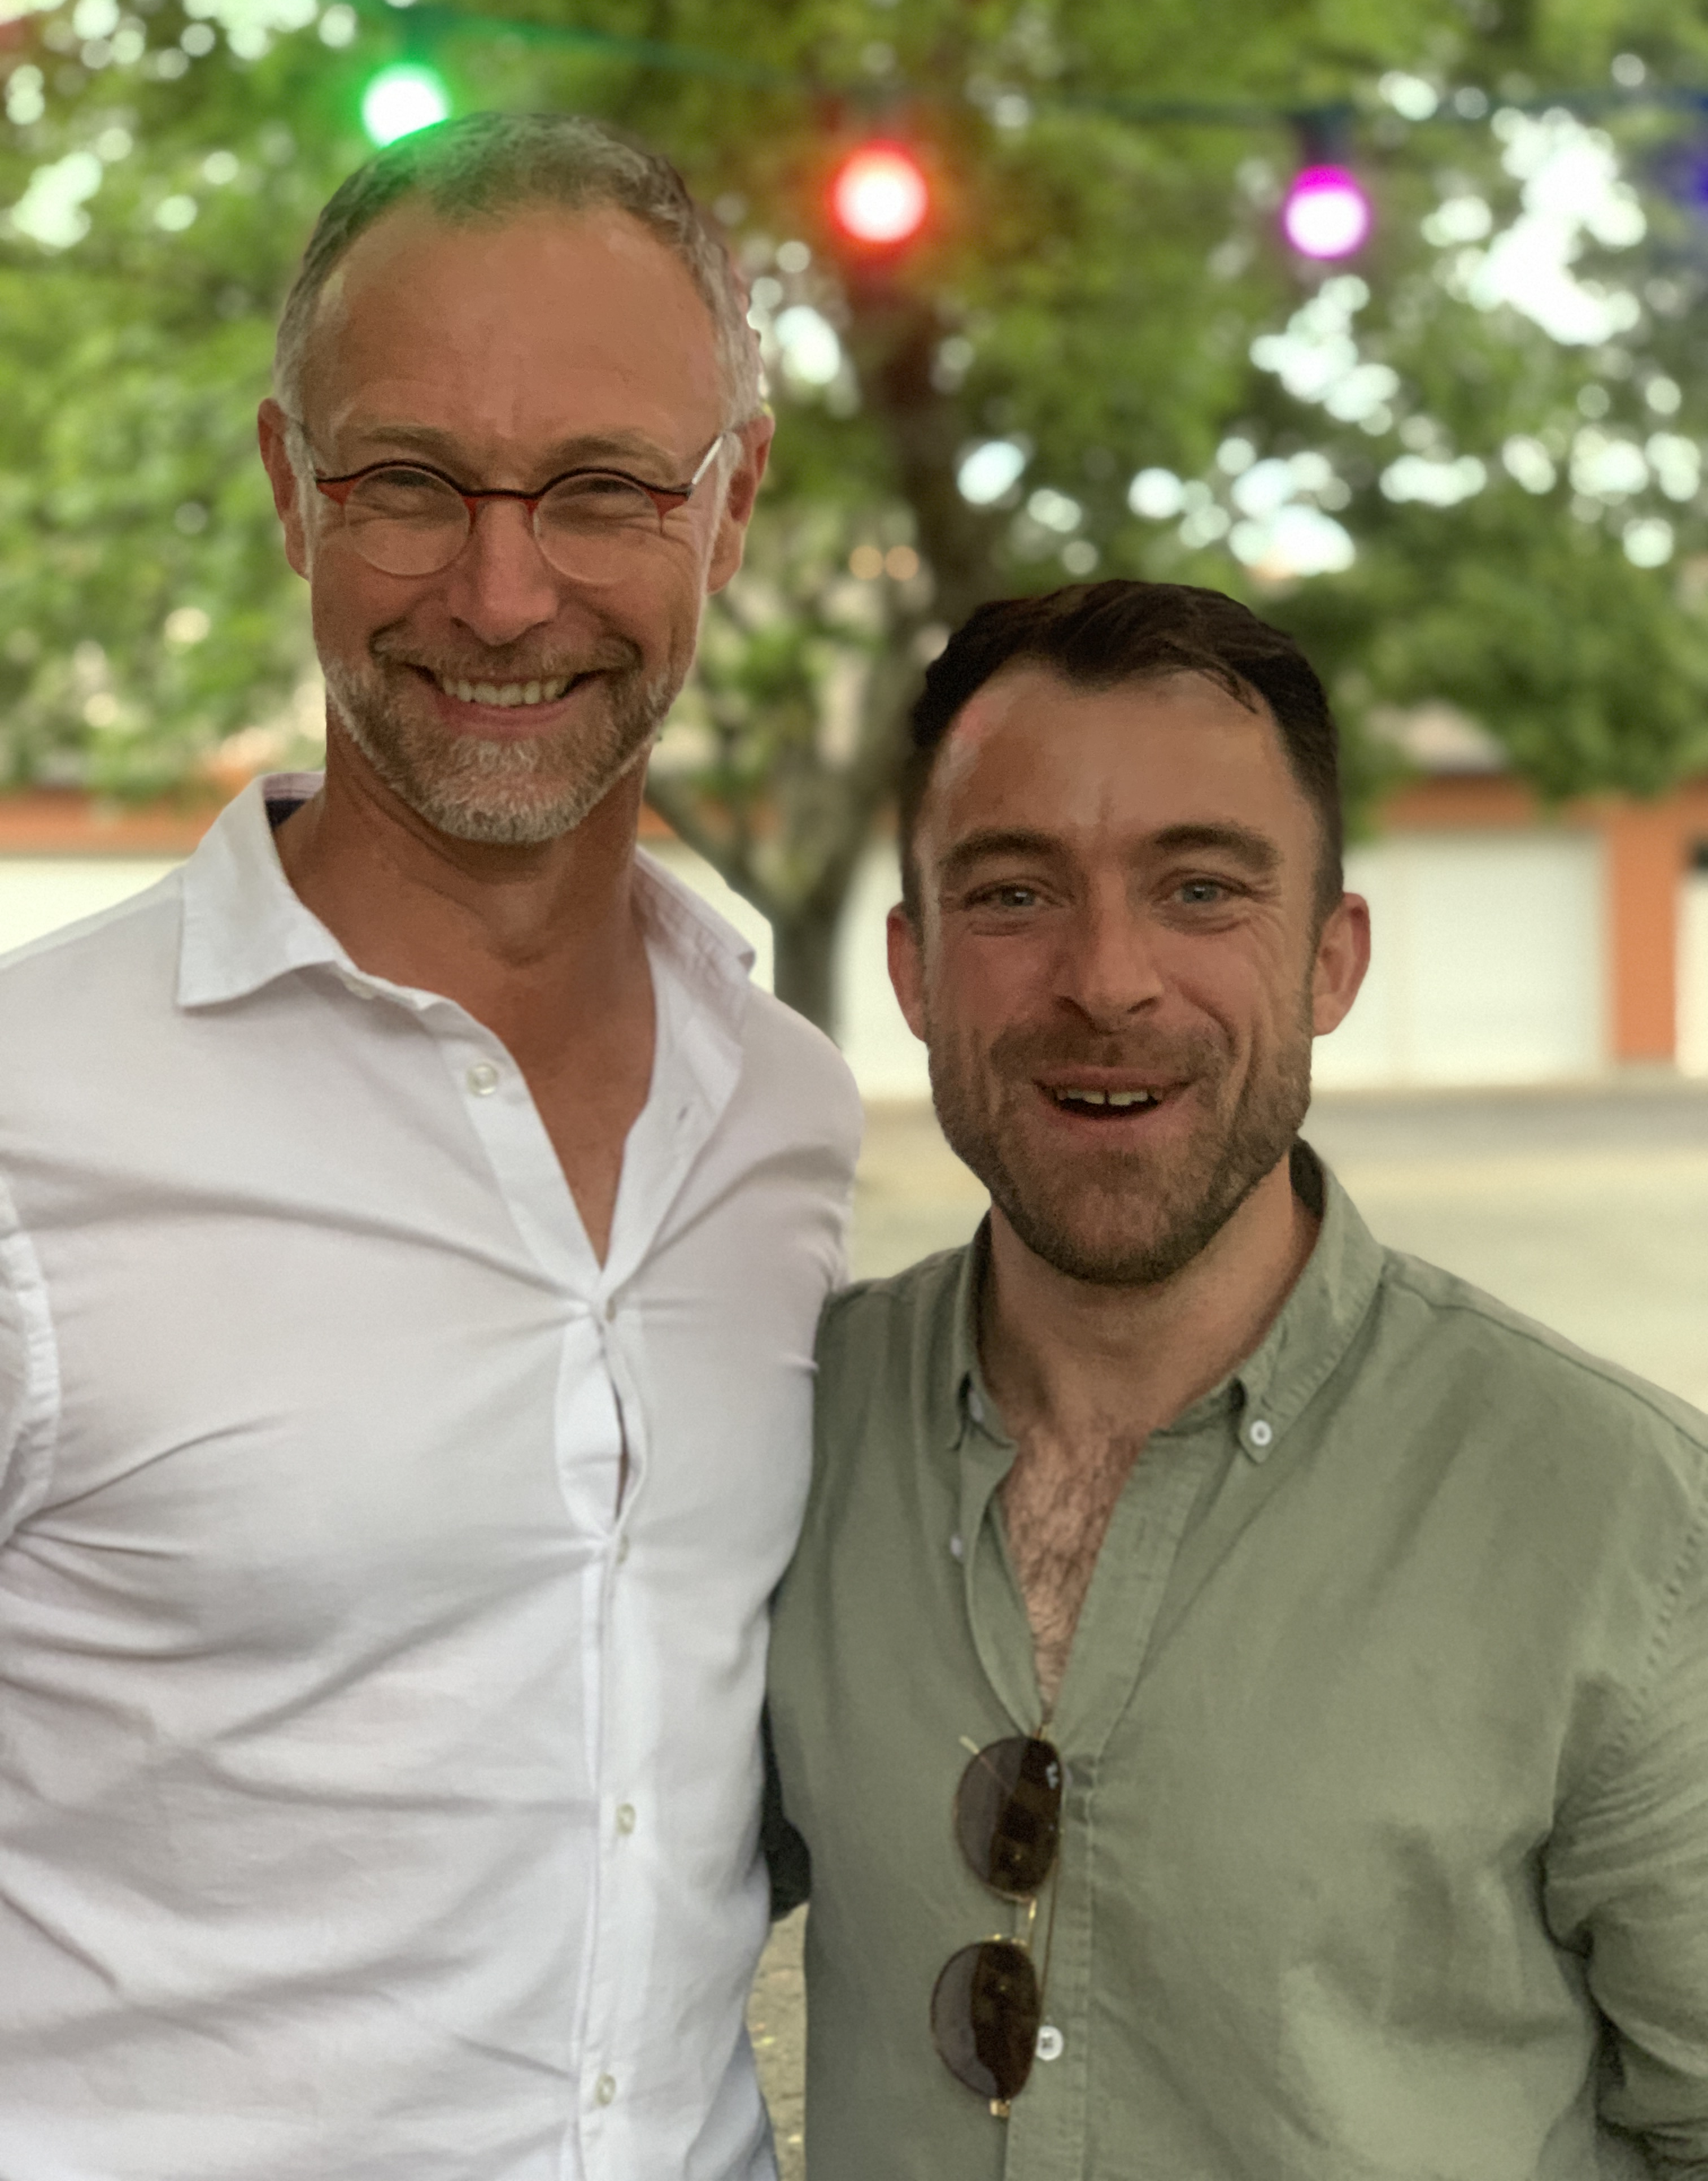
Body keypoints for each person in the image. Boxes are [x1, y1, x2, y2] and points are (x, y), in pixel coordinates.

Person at [0, 112, 860, 2181]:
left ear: (731, 507)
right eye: (408, 482)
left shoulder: (784, 1115)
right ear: (292, 490)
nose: (501, 590)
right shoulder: (31, 1125)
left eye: (602, 488)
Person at [767, 579, 1708, 2179]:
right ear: (914, 970)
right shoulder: (786, 1434)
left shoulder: (1624, 1524)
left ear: (1331, 962)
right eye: (1014, 895)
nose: (1107, 979)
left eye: (1200, 890)